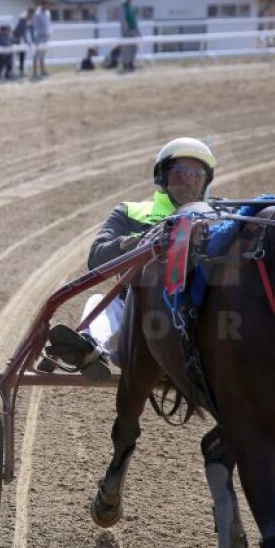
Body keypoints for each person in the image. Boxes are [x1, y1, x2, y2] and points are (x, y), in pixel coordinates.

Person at [45, 137, 219, 379]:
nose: (189, 180)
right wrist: (137, 242)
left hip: (198, 322)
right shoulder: (130, 212)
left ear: (205, 182)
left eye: (197, 174)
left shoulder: (219, 219)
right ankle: (90, 349)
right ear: (163, 177)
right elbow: (96, 258)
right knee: (98, 301)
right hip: (135, 323)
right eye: (181, 172)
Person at [119, 0, 141, 73]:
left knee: (133, 47)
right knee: (126, 48)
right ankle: (125, 64)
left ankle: (131, 63)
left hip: (132, 30)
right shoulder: (123, 6)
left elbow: (134, 20)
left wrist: (137, 31)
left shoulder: (131, 7)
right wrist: (126, 29)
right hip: (126, 31)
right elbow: (123, 19)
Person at [30, 4, 52, 79]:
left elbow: (48, 24)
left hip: (46, 36)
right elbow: (35, 25)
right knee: (37, 55)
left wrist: (49, 32)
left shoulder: (47, 13)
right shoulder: (37, 14)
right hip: (39, 36)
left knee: (43, 55)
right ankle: (34, 72)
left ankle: (43, 71)